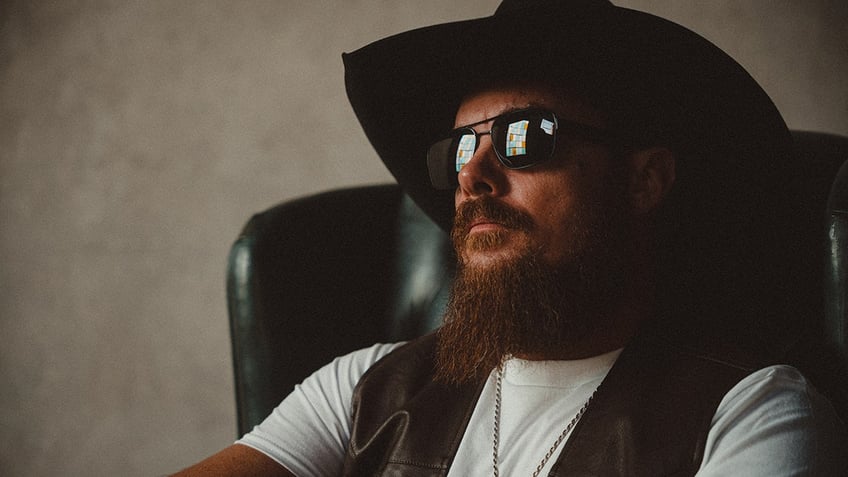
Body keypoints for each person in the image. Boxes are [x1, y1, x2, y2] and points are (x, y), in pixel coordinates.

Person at [175, 0, 847, 475]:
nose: (475, 174)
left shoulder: (753, 415)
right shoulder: (362, 388)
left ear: (644, 181)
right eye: (462, 147)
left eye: (526, 137)